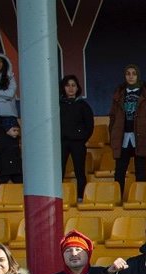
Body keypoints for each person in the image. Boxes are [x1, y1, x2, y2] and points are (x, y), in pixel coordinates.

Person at [108, 64, 146, 197]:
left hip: (141, 137)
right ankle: (117, 198)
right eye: (128, 74)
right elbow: (113, 116)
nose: (131, 76)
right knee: (119, 170)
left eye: (134, 73)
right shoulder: (119, 95)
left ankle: (140, 198)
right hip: (123, 137)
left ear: (138, 76)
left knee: (140, 170)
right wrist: (113, 130)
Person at [58, 74, 95, 202]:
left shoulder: (83, 105)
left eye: (73, 85)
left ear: (77, 88)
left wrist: (81, 138)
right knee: (59, 172)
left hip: (78, 143)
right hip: (62, 143)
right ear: (63, 88)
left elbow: (89, 126)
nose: (71, 88)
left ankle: (80, 197)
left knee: (80, 172)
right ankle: (58, 198)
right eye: (68, 85)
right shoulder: (57, 105)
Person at [0, 118, 22, 183]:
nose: (16, 132)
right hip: (4, 168)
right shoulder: (0, 140)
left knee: (19, 183)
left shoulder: (18, 140)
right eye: (14, 130)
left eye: (18, 131)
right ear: (7, 130)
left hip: (16, 168)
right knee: (3, 183)